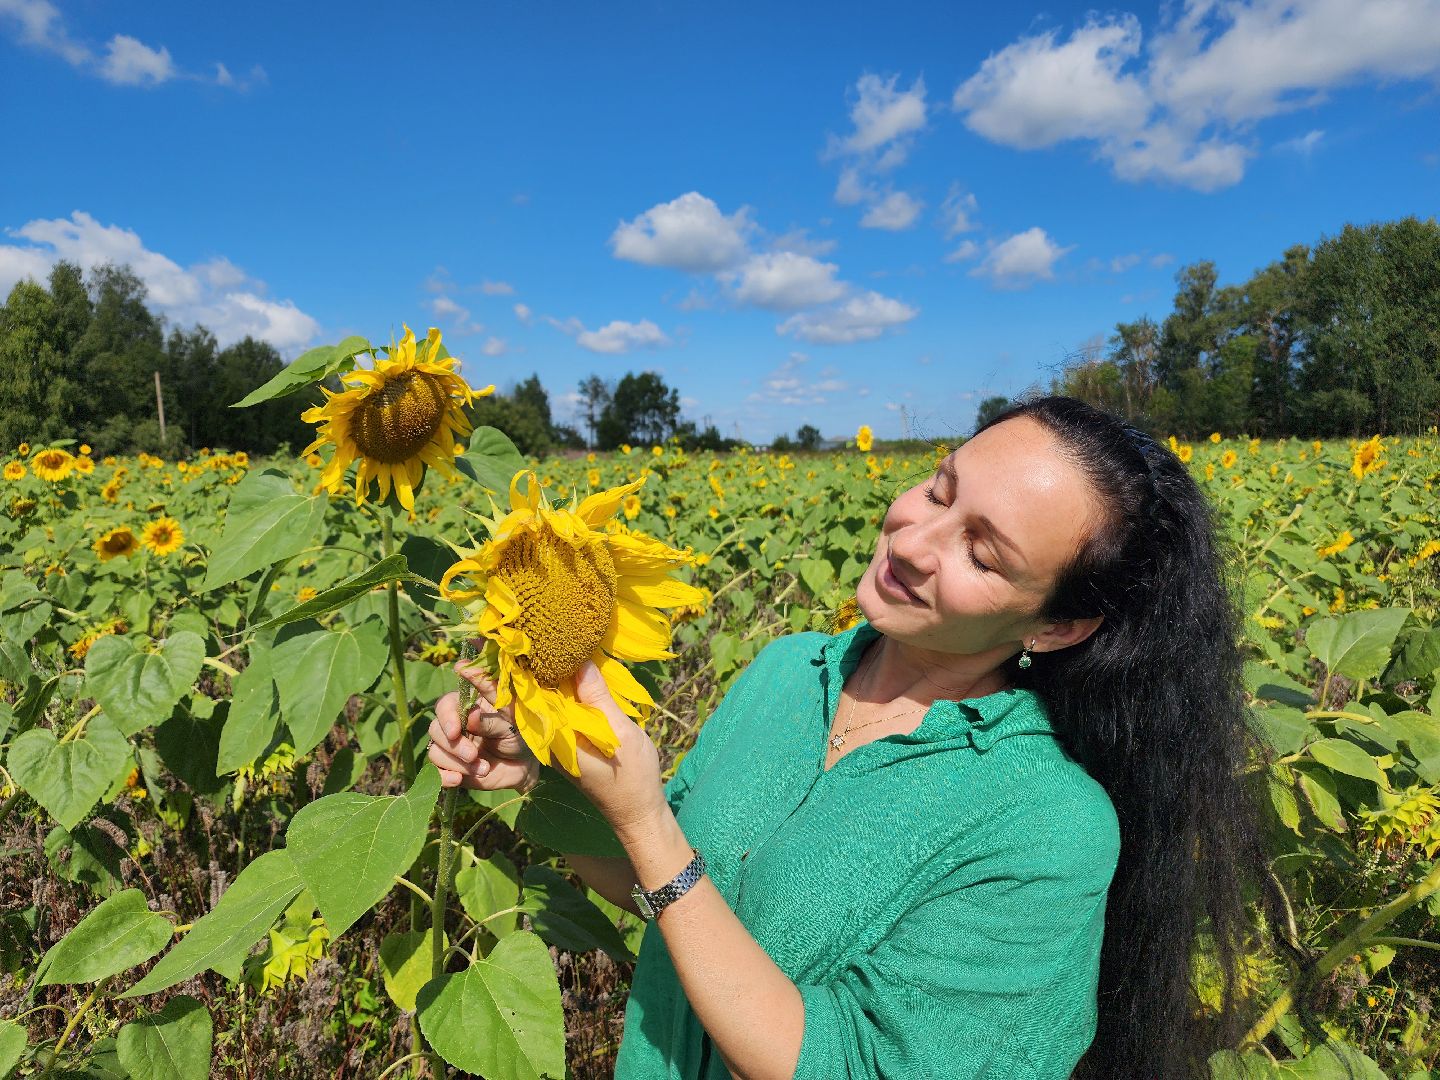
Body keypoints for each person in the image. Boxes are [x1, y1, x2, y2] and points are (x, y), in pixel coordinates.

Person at [427, 395, 1275, 1079]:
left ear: (1056, 628)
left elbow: (851, 1062)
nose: (913, 540)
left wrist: (650, 827)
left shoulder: (1046, 823)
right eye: (941, 490)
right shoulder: (789, 672)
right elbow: (664, 894)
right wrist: (557, 785)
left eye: (983, 554)